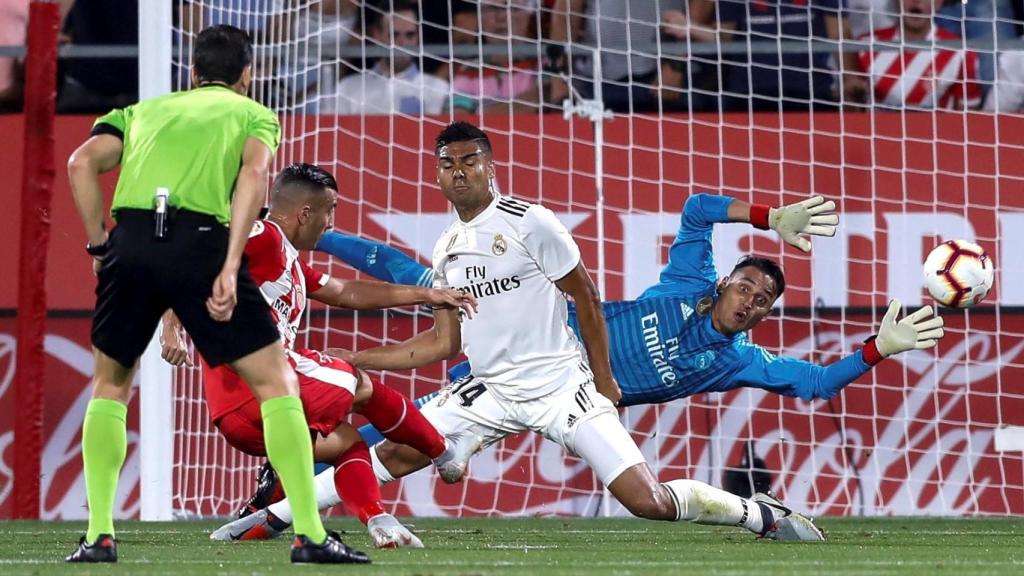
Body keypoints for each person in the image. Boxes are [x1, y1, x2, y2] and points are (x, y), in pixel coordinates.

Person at [214, 134, 946, 542]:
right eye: (745, 285)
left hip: (574, 390)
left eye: (762, 299)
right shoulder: (688, 280)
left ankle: (754, 514)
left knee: (650, 504)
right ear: (724, 284)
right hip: (498, 381)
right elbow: (694, 209)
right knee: (397, 446)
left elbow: (815, 383)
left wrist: (878, 347)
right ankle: (273, 517)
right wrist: (766, 213)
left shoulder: (737, 361)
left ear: (761, 318)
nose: (750, 298)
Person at [64, 25, 366, 564]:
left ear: (192, 72)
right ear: (246, 76)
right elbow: (253, 175)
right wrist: (230, 263)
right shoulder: (252, 115)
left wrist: (97, 247)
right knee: (276, 384)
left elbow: (81, 163)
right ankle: (310, 536)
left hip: (131, 240)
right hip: (200, 242)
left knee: (109, 387)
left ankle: (99, 536)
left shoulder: (141, 111)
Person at [154, 163, 475, 548]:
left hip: (241, 415)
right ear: (305, 212)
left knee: (346, 441)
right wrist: (170, 324)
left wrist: (428, 295)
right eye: (330, 210)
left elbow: (345, 292)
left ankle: (378, 521)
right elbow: (191, 263)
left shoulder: (288, 260)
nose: (330, 222)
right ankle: (444, 453)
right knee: (356, 381)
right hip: (256, 387)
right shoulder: (263, 237)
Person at [321, 0, 449, 115]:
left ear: (419, 36)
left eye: (410, 35)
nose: (402, 43)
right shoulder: (347, 88)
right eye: (394, 35)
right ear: (377, 35)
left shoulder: (437, 88)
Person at [856, 0, 982, 109]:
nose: (916, 0)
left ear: (939, 2)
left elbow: (968, 114)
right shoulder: (865, 45)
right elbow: (851, 108)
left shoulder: (960, 53)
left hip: (937, 135)